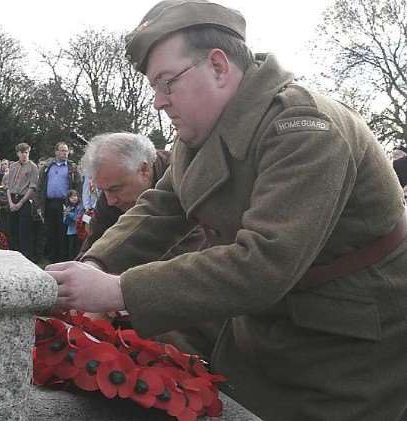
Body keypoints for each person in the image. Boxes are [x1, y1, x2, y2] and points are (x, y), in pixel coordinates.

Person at [46, 2, 407, 420]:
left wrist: (115, 290)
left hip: (345, 335)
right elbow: (160, 209)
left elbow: (265, 262)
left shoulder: (306, 128)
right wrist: (89, 268)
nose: (158, 101)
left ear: (218, 66)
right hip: (271, 317)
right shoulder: (200, 132)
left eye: (167, 83)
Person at [76, 132, 172, 258]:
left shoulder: (185, 178)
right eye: (103, 191)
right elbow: (93, 245)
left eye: (115, 189)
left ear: (144, 170)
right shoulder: (109, 197)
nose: (110, 201)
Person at [37, 142, 82, 263]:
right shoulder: (47, 167)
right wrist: (39, 204)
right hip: (50, 202)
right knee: (51, 231)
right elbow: (40, 186)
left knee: (63, 232)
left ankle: (63, 259)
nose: (65, 153)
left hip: (65, 203)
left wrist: (75, 203)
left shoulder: (72, 167)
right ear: (56, 152)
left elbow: (78, 185)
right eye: (62, 150)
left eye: (66, 151)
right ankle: (52, 258)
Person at [4, 142, 39, 260]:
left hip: (24, 200)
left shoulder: (33, 167)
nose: (24, 155)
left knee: (24, 231)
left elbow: (32, 187)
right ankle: (13, 255)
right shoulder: (13, 166)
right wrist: (10, 202)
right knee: (12, 230)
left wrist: (20, 203)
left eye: (26, 152)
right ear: (18, 153)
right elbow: (8, 186)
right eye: (22, 152)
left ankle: (26, 257)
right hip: (12, 198)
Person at [63, 189, 83, 260]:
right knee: (71, 249)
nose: (74, 198)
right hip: (70, 232)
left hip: (79, 232)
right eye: (71, 197)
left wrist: (69, 214)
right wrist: (66, 215)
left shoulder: (80, 207)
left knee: (78, 249)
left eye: (75, 196)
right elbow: (65, 222)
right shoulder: (68, 207)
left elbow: (78, 218)